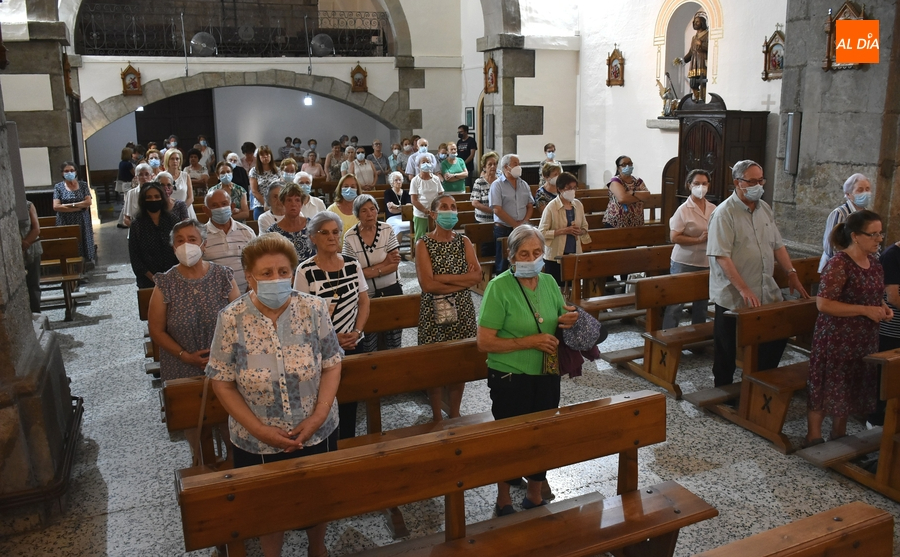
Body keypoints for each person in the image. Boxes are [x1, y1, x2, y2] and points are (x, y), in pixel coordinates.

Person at [206, 233, 341, 557]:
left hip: (316, 428)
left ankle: (317, 547)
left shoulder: (313, 308)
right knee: (267, 509)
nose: (276, 279)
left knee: (316, 499)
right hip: (256, 439)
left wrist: (319, 414)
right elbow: (222, 382)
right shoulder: (232, 317)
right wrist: (259, 429)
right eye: (266, 273)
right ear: (249, 276)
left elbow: (332, 364)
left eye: (283, 271)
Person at [476, 225, 578, 516]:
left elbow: (557, 316)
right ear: (511, 256)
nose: (531, 259)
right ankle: (503, 498)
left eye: (536, 253)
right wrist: (529, 341)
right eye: (524, 253)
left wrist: (570, 318)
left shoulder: (547, 281)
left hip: (547, 372)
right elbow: (484, 342)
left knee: (541, 436)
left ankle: (534, 494)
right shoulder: (499, 287)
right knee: (510, 440)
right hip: (510, 376)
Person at [707, 160, 810, 387]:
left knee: (777, 334)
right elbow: (721, 256)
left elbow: (777, 245)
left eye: (760, 180)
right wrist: (743, 288)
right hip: (733, 295)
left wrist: (791, 272)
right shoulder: (724, 213)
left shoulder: (764, 208)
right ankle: (722, 388)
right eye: (752, 181)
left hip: (765, 289)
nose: (758, 185)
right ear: (737, 182)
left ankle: (759, 380)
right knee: (727, 347)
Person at [805, 210, 892, 446]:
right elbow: (823, 303)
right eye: (873, 234)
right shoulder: (839, 264)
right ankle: (813, 436)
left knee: (849, 386)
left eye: (880, 234)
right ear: (855, 236)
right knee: (828, 385)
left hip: (863, 337)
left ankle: (838, 434)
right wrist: (865, 310)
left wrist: (882, 307)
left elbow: (872, 295)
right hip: (836, 337)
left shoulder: (874, 263)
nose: (879, 239)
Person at [294, 211, 370, 441]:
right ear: (313, 238)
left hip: (354, 341)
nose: (331, 237)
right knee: (324, 400)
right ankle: (327, 442)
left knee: (350, 398)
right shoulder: (305, 270)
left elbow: (364, 301)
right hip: (322, 349)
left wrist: (356, 332)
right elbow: (301, 315)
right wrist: (333, 338)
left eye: (335, 232)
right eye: (324, 233)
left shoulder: (352, 264)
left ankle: (348, 441)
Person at [416, 194, 482, 421]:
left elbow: (477, 276)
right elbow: (427, 284)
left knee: (458, 364)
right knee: (435, 365)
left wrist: (443, 277)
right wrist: (461, 279)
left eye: (453, 207)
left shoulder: (463, 241)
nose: (450, 211)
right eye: (444, 207)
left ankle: (454, 412)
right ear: (433, 214)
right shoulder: (423, 243)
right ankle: (436, 414)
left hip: (462, 310)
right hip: (434, 312)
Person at [148, 219, 239, 382]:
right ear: (174, 247)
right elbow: (156, 330)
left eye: (192, 239)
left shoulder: (223, 276)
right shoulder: (165, 283)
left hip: (225, 362)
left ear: (203, 244)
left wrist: (223, 353)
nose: (186, 245)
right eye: (180, 241)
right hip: (180, 365)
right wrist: (185, 356)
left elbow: (241, 320)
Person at [343, 194, 402, 352]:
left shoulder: (387, 229)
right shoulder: (350, 237)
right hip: (365, 296)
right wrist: (384, 264)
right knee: (369, 341)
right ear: (357, 214)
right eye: (364, 211)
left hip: (391, 289)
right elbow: (352, 274)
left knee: (394, 338)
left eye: (372, 209)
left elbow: (395, 264)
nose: (369, 214)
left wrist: (368, 271)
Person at [661, 169, 716, 329]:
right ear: (689, 185)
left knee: (702, 302)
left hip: (705, 260)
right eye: (697, 183)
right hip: (684, 260)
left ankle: (697, 336)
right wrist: (697, 239)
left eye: (704, 183)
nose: (701, 187)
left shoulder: (713, 208)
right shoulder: (683, 209)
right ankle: (668, 334)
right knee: (676, 302)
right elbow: (674, 237)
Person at [537, 172, 591, 284]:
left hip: (574, 252)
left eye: (574, 188)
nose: (572, 191)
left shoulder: (578, 205)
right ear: (560, 189)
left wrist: (580, 231)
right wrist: (564, 231)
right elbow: (541, 233)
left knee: (573, 286)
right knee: (556, 287)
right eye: (569, 188)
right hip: (555, 256)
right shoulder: (551, 207)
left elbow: (585, 226)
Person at [203, 189, 257, 292]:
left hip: (246, 293)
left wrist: (252, 285)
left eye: (224, 204)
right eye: (214, 205)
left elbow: (256, 262)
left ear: (232, 207)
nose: (221, 208)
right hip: (214, 296)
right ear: (206, 210)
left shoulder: (247, 232)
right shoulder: (200, 236)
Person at [129, 182, 180, 288]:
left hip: (175, 278)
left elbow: (180, 248)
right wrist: (155, 279)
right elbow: (135, 257)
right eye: (149, 197)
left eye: (157, 196)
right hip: (148, 281)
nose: (153, 200)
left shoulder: (173, 220)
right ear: (143, 200)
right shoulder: (137, 225)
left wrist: (173, 276)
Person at [819, 173, 873, 272]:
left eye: (867, 189)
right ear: (848, 194)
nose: (865, 193)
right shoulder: (839, 213)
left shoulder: (868, 215)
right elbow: (831, 246)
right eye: (860, 190)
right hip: (837, 268)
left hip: (861, 268)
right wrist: (849, 264)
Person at [489, 153, 534, 274]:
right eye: (515, 164)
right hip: (504, 229)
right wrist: (515, 224)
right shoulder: (497, 185)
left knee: (522, 261)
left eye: (519, 164)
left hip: (521, 229)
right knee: (503, 264)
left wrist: (523, 222)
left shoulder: (523, 184)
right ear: (506, 167)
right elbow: (497, 209)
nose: (518, 167)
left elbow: (530, 205)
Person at [52, 162, 96, 264]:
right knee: (68, 245)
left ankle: (85, 266)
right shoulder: (59, 187)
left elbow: (88, 202)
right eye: (66, 171)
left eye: (72, 170)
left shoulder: (83, 185)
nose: (69, 173)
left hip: (82, 220)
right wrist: (77, 207)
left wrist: (67, 206)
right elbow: (56, 206)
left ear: (76, 172)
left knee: (83, 242)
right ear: (62, 173)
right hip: (65, 220)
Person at [268, 182, 316, 262]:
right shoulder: (273, 232)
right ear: (283, 203)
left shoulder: (312, 226)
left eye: (297, 200)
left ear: (301, 204)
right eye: (289, 200)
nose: (293, 204)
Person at [603, 155, 650, 228]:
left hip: (637, 222)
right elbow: (623, 199)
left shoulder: (638, 181)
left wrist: (633, 193)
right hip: (616, 222)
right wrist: (640, 197)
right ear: (618, 168)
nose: (628, 166)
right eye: (624, 165)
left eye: (630, 164)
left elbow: (647, 196)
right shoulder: (615, 181)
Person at [674, 9, 709, 103]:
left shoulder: (707, 35)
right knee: (693, 83)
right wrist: (683, 60)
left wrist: (701, 44)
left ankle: (703, 101)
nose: (695, 23)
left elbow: (710, 48)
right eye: (694, 22)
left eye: (697, 22)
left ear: (702, 22)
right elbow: (691, 52)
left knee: (703, 83)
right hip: (694, 64)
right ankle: (697, 100)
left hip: (702, 63)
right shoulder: (694, 37)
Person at [409, 156, 445, 242]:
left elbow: (441, 195)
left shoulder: (436, 179)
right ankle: (419, 254)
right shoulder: (415, 180)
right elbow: (414, 200)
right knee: (420, 237)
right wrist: (425, 210)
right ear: (418, 165)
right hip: (421, 214)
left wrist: (436, 209)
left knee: (436, 236)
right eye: (423, 162)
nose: (426, 164)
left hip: (435, 213)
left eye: (428, 162)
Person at [326, 174, 361, 249]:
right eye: (346, 186)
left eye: (352, 187)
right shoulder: (332, 210)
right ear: (340, 188)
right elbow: (327, 234)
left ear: (357, 189)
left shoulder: (362, 209)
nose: (349, 189)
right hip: (337, 252)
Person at [19, 200, 42, 313]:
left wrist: (25, 243)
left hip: (32, 249)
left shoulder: (28, 205)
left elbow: (36, 228)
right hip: (17, 251)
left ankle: (36, 312)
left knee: (33, 285)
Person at [250, 145, 280, 221]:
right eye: (262, 155)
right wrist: (265, 203)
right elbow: (254, 191)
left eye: (267, 154)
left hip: (276, 204)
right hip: (261, 205)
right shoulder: (254, 171)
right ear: (258, 157)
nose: (265, 157)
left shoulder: (277, 170)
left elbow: (281, 186)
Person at [122, 162, 155, 227]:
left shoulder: (157, 192)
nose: (144, 177)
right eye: (140, 175)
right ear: (136, 177)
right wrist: (136, 230)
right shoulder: (131, 193)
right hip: (136, 229)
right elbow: (126, 218)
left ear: (151, 176)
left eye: (147, 174)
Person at [471, 151, 498, 225]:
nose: (493, 166)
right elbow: (475, 203)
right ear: (484, 167)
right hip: (482, 221)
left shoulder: (500, 182)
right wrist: (493, 211)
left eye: (495, 164)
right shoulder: (479, 182)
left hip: (498, 220)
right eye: (490, 164)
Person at [457, 125, 478, 190]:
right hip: (459, 166)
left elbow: (472, 155)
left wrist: (464, 163)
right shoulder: (459, 142)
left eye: (461, 132)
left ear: (466, 132)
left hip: (468, 166)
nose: (459, 133)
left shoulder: (471, 141)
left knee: (467, 183)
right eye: (458, 132)